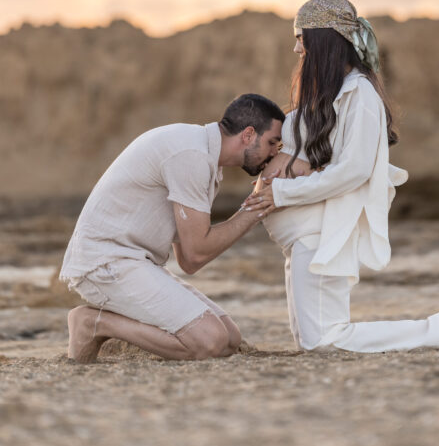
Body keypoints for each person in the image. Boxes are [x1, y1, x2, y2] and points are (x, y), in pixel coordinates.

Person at [243, 0, 439, 352]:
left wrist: (280, 194)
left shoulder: (359, 95)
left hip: (321, 233)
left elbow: (355, 170)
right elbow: (322, 158)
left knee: (324, 342)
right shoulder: (330, 95)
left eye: (302, 37)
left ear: (324, 41)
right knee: (311, 343)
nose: (297, 48)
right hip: (301, 237)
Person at [61, 93, 284, 363]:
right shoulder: (191, 155)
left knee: (229, 338)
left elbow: (188, 261)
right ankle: (92, 323)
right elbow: (197, 252)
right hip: (105, 263)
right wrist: (257, 207)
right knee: (209, 342)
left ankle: (102, 323)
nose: (275, 152)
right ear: (248, 135)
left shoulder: (202, 156)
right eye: (272, 142)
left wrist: (252, 207)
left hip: (131, 261)